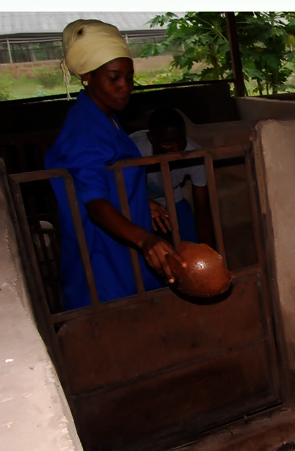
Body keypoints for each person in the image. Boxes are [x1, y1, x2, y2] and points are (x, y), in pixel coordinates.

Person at [45, 19, 185, 310]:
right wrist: (145, 239)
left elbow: (105, 174)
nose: (125, 87)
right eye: (114, 78)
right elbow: (95, 205)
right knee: (115, 324)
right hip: (103, 253)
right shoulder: (85, 130)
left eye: (129, 77)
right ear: (87, 76)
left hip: (122, 245)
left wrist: (137, 198)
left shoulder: (104, 116)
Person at [129, 108, 215, 247]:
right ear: (151, 138)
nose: (176, 149)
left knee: (191, 245)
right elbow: (122, 191)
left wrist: (208, 253)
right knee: (155, 249)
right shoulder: (133, 151)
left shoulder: (194, 154)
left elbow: (203, 209)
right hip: (137, 201)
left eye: (181, 140)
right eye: (167, 143)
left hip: (172, 199)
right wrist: (144, 204)